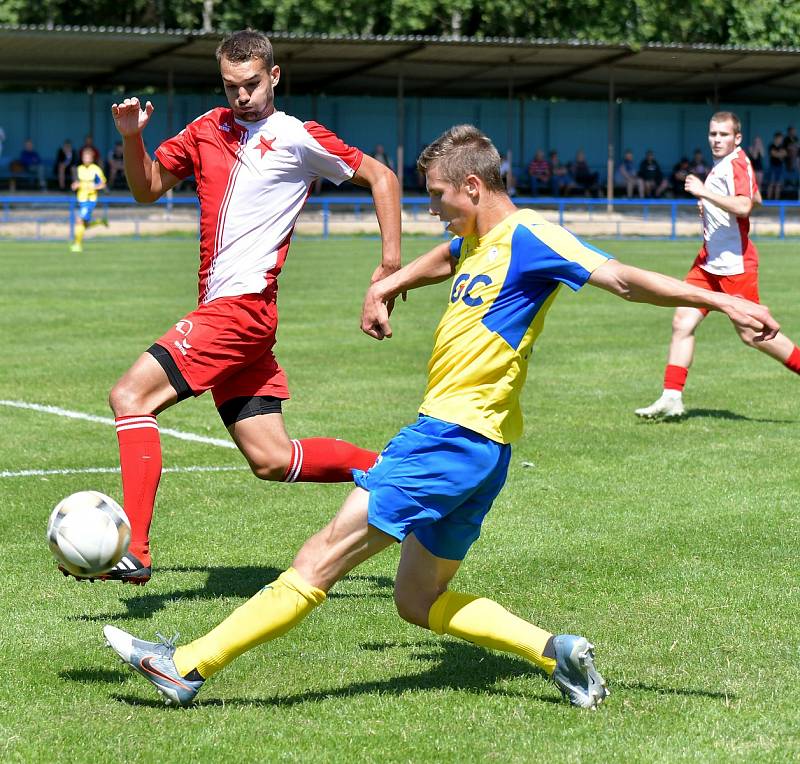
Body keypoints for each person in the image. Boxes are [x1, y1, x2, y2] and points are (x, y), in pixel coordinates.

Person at [103, 124, 778, 710]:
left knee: (317, 560)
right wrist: (389, 283)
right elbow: (445, 257)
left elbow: (624, 279)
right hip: (479, 450)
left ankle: (185, 666)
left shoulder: (532, 236)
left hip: (449, 436)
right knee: (417, 602)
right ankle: (557, 652)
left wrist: (722, 303)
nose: (433, 212)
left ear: (475, 187)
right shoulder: (475, 241)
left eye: (439, 199)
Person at [61, 30, 400, 585]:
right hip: (237, 315)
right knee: (271, 459)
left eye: (251, 84)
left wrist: (388, 270)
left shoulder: (296, 135)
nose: (241, 96)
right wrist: (130, 139)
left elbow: (381, 177)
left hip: (239, 311)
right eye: (230, 85)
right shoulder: (205, 129)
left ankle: (136, 550)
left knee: (129, 396)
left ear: (274, 76)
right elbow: (147, 188)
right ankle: (392, 472)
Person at [636, 112, 800, 419]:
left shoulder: (737, 162)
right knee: (682, 323)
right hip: (708, 264)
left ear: (737, 138)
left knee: (753, 335)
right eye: (713, 134)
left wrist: (703, 192)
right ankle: (672, 397)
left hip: (735, 266)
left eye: (723, 135)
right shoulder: (729, 163)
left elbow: (743, 205)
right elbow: (755, 197)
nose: (716, 140)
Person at [69, 147, 108, 252]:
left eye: (88, 157)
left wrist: (94, 187)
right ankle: (100, 221)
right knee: (84, 225)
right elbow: (78, 183)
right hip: (80, 199)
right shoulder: (79, 169)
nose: (86, 159)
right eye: (84, 157)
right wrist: (75, 185)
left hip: (90, 199)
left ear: (92, 158)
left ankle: (77, 245)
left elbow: (103, 184)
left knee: (79, 220)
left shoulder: (96, 170)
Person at [765, 131, 786, 200]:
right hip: (772, 167)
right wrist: (780, 154)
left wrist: (778, 154)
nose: (781, 140)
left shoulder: (782, 146)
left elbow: (785, 154)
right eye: (780, 138)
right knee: (771, 183)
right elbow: (774, 154)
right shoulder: (771, 146)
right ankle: (769, 200)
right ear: (776, 138)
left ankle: (776, 200)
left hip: (780, 167)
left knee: (778, 184)